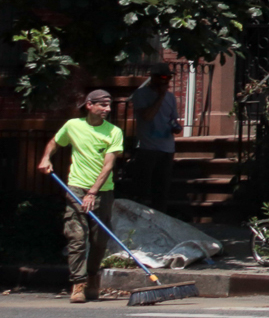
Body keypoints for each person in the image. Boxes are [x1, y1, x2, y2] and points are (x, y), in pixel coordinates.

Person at [38, 90, 124, 304]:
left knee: (98, 240)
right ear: (89, 105)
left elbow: (109, 165)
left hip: (102, 191)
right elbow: (55, 142)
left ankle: (93, 276)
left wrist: (93, 192)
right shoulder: (72, 126)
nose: (108, 109)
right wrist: (46, 157)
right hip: (76, 187)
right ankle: (78, 283)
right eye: (103, 105)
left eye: (109, 105)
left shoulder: (114, 132)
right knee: (76, 237)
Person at [131, 69, 179, 213]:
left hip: (167, 147)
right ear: (153, 78)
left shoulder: (171, 97)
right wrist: (160, 96)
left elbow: (172, 119)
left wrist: (175, 127)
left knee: (162, 188)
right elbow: (147, 116)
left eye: (168, 78)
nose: (165, 81)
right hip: (147, 147)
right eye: (162, 77)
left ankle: (161, 215)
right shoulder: (141, 94)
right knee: (144, 187)